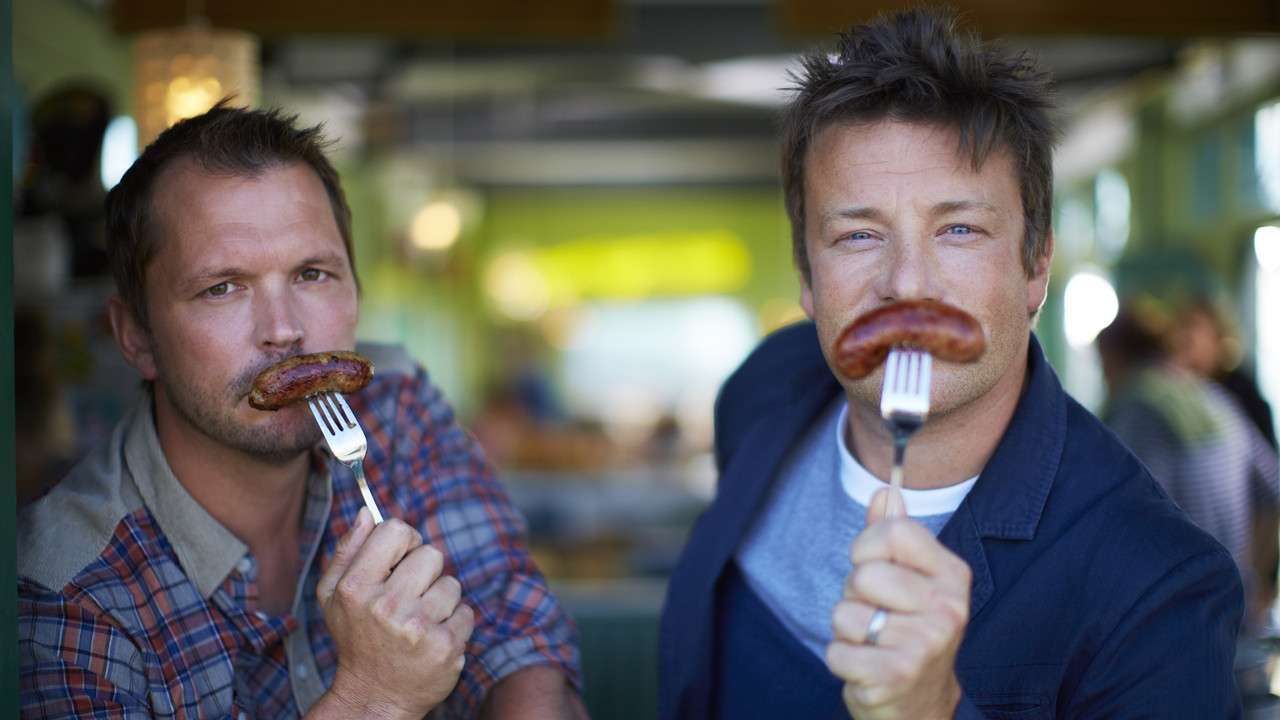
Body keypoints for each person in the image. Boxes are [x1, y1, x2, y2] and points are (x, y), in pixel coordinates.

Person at [658, 9, 1244, 719]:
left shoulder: (1157, 580)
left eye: (959, 229)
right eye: (858, 234)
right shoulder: (767, 386)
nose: (907, 283)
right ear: (807, 277)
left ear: (1036, 266)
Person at [18, 104, 586, 719]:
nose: (285, 331)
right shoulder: (62, 588)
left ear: (358, 294)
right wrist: (374, 697)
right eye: (222, 287)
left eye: (313, 274)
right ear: (137, 337)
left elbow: (510, 625)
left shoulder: (394, 403)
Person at [1098, 302, 1280, 632]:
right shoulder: (1212, 396)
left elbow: (1136, 523)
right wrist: (1255, 581)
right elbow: (1273, 491)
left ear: (1114, 356)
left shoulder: (1137, 407)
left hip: (1179, 625)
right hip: (1235, 611)